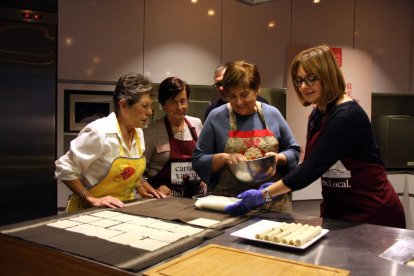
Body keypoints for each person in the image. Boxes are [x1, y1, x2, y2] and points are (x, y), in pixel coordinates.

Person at [224, 45, 406, 228]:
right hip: (337, 211)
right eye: (298, 80)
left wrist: (264, 195)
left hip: (372, 213)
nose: (304, 86)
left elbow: (310, 170)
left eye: (311, 78)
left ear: (327, 75)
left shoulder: (346, 116)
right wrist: (276, 186)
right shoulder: (318, 114)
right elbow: (308, 161)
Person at [192, 60, 301, 213]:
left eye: (244, 95)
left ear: (257, 89)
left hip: (272, 205)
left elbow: (294, 151)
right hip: (229, 204)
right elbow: (198, 159)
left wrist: (278, 158)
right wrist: (223, 158)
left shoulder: (272, 114)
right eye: (232, 96)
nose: (239, 102)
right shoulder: (216, 117)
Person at [55, 72, 166, 213]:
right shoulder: (100, 132)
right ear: (124, 105)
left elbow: (129, 172)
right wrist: (90, 198)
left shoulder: (138, 133)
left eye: (151, 106)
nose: (150, 112)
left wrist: (144, 188)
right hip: (89, 212)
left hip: (123, 210)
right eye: (144, 106)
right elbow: (63, 167)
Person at [144, 77, 206, 198]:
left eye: (183, 101)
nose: (179, 107)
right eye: (173, 102)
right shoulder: (152, 131)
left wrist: (206, 176)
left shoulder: (196, 124)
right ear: (163, 105)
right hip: (165, 201)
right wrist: (153, 188)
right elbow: (139, 174)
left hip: (195, 199)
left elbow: (205, 158)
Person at [204, 63, 270, 121]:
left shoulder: (264, 107)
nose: (221, 88)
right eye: (218, 84)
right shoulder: (213, 112)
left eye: (224, 83)